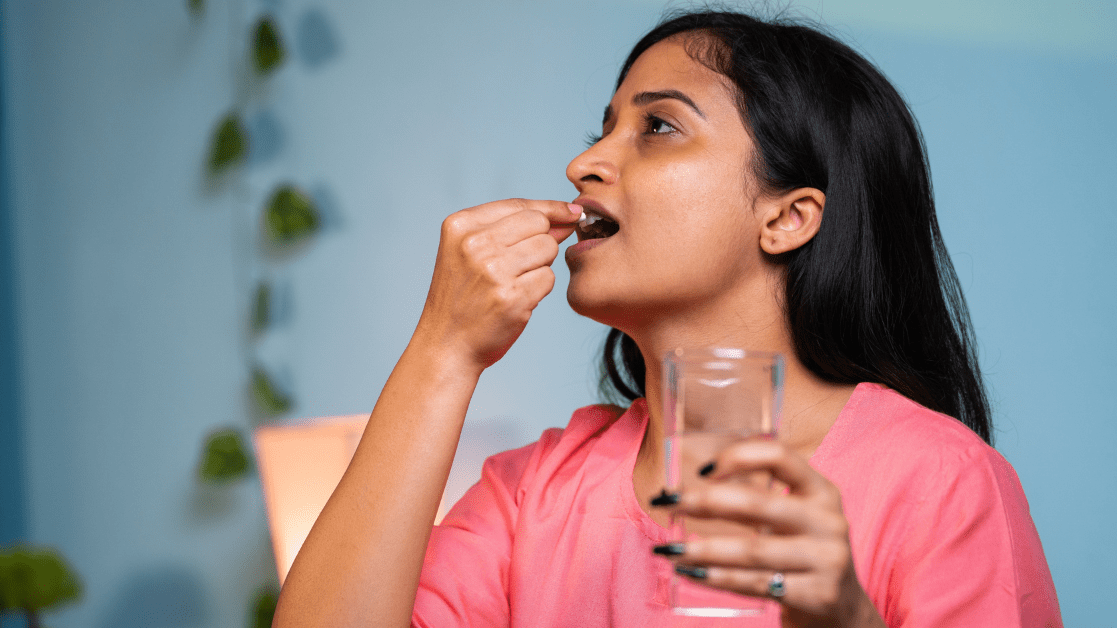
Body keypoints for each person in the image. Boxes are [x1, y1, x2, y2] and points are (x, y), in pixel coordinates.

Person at [273, 9, 1062, 628]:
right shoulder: (532, 496)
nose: (584, 165)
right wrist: (443, 350)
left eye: (657, 127)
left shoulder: (940, 485)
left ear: (788, 218)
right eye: (603, 129)